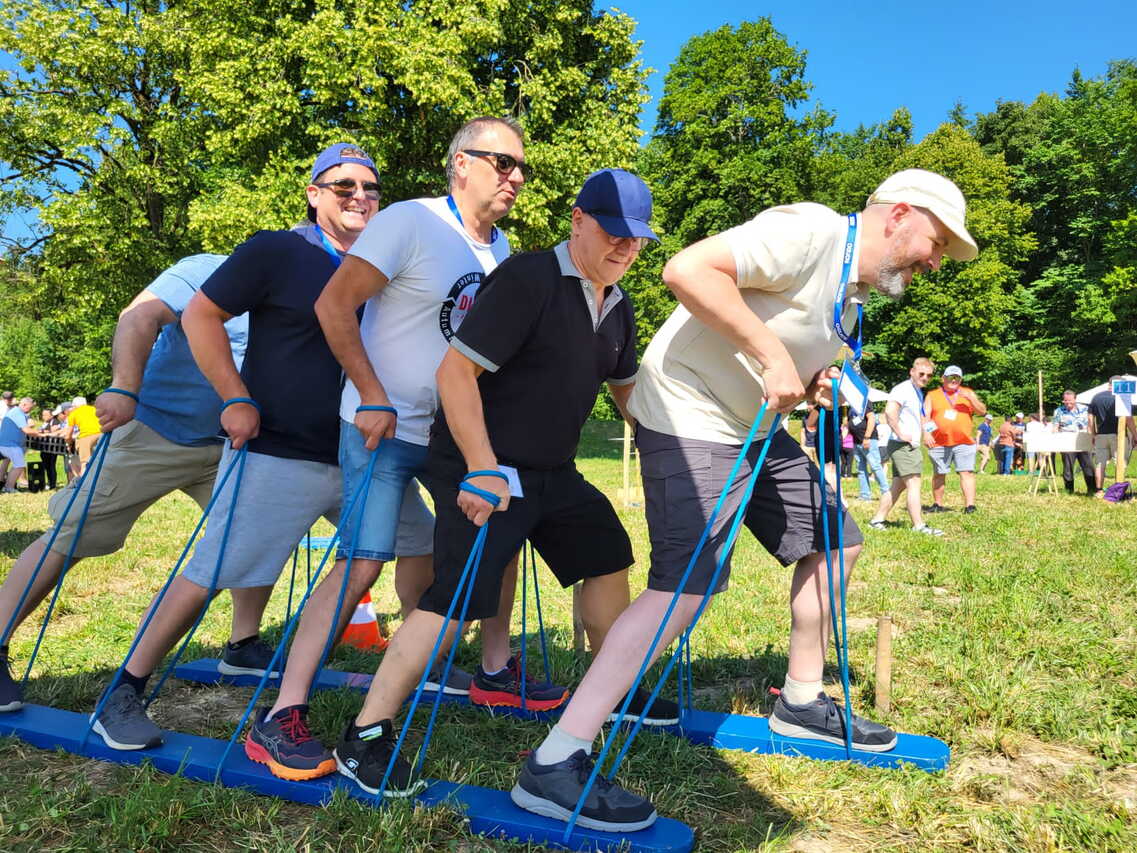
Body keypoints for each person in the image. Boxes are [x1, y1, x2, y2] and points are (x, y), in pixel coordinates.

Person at [509, 169, 978, 831]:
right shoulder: (812, 232)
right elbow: (686, 270)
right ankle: (554, 762)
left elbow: (789, 346)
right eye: (935, 241)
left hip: (753, 426)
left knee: (834, 540)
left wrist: (811, 378)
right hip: (688, 413)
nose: (935, 259)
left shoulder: (853, 290)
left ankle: (803, 699)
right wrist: (771, 357)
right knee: (684, 586)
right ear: (900, 214)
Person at [328, 168, 682, 801]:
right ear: (578, 220)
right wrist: (482, 467)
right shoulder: (527, 280)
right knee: (456, 601)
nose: (626, 249)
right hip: (480, 462)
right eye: (613, 233)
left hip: (553, 471)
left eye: (637, 241)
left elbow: (626, 387)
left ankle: (612, 693)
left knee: (607, 554)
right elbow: (454, 374)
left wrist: (669, 444)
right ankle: (365, 735)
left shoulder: (618, 303)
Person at [241, 118, 541, 783]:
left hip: (449, 434)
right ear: (461, 163)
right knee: (359, 566)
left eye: (522, 167)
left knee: (492, 533)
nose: (516, 176)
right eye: (503, 162)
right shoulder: (410, 221)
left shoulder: (500, 249)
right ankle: (282, 713)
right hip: (378, 425)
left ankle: (465, 663)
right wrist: (371, 392)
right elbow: (333, 303)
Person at [84, 142, 410, 753]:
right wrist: (234, 396)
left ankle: (408, 675)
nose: (360, 197)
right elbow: (202, 316)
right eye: (344, 186)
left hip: (366, 451)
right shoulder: (276, 250)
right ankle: (123, 691)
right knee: (212, 572)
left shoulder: (384, 266)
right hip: (281, 449)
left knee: (420, 546)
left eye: (370, 187)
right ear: (314, 194)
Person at [868, 358, 942, 535]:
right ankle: (919, 526)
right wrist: (901, 433)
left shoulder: (916, 391)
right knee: (914, 483)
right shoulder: (902, 389)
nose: (925, 378)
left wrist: (926, 432)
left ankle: (877, 520)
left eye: (929, 375)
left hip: (906, 443)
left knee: (898, 486)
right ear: (912, 371)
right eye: (921, 374)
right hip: (903, 444)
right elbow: (889, 411)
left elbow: (918, 417)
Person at [924, 365, 986, 514]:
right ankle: (937, 504)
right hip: (939, 442)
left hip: (964, 442)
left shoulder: (968, 393)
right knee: (939, 473)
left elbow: (982, 411)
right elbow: (925, 416)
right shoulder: (933, 395)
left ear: (960, 379)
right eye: (950, 377)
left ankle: (970, 506)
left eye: (957, 377)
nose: (953, 380)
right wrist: (926, 434)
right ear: (943, 379)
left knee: (967, 472)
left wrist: (971, 398)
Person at [1088, 377, 1137, 491]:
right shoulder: (1122, 397)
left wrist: (1093, 435)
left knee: (1100, 464)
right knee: (1119, 463)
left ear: (1108, 384)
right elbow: (1128, 419)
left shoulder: (1096, 397)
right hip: (1118, 435)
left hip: (1101, 435)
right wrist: (1135, 435)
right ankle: (1118, 491)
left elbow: (1090, 419)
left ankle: (1099, 490)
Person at [1052, 390, 1094, 495]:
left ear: (1075, 399)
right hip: (1066, 441)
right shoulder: (1058, 411)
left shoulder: (1085, 409)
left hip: (1083, 439)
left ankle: (1092, 489)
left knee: (1088, 466)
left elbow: (1091, 424)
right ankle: (1069, 490)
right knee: (1067, 467)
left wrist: (1093, 437)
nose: (1067, 403)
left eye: (1070, 400)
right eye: (1065, 400)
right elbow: (1055, 427)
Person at [848, 406, 887, 501]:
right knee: (860, 469)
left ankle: (887, 493)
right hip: (857, 441)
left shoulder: (864, 402)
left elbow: (871, 418)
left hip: (868, 440)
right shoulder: (851, 406)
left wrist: (867, 437)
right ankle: (865, 495)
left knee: (875, 466)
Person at [0, 397, 38, 493]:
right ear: (24, 404)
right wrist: (41, 433)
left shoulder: (16, 412)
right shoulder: (18, 413)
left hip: (6, 443)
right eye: (30, 407)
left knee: (5, 463)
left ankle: (1, 483)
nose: (31, 410)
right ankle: (9, 487)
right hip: (11, 444)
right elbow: (26, 430)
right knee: (19, 465)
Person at [65, 397, 102, 474]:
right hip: (102, 434)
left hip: (86, 436)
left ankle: (84, 484)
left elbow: (68, 435)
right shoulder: (94, 409)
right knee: (101, 460)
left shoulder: (74, 413)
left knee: (85, 463)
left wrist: (69, 444)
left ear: (74, 406)